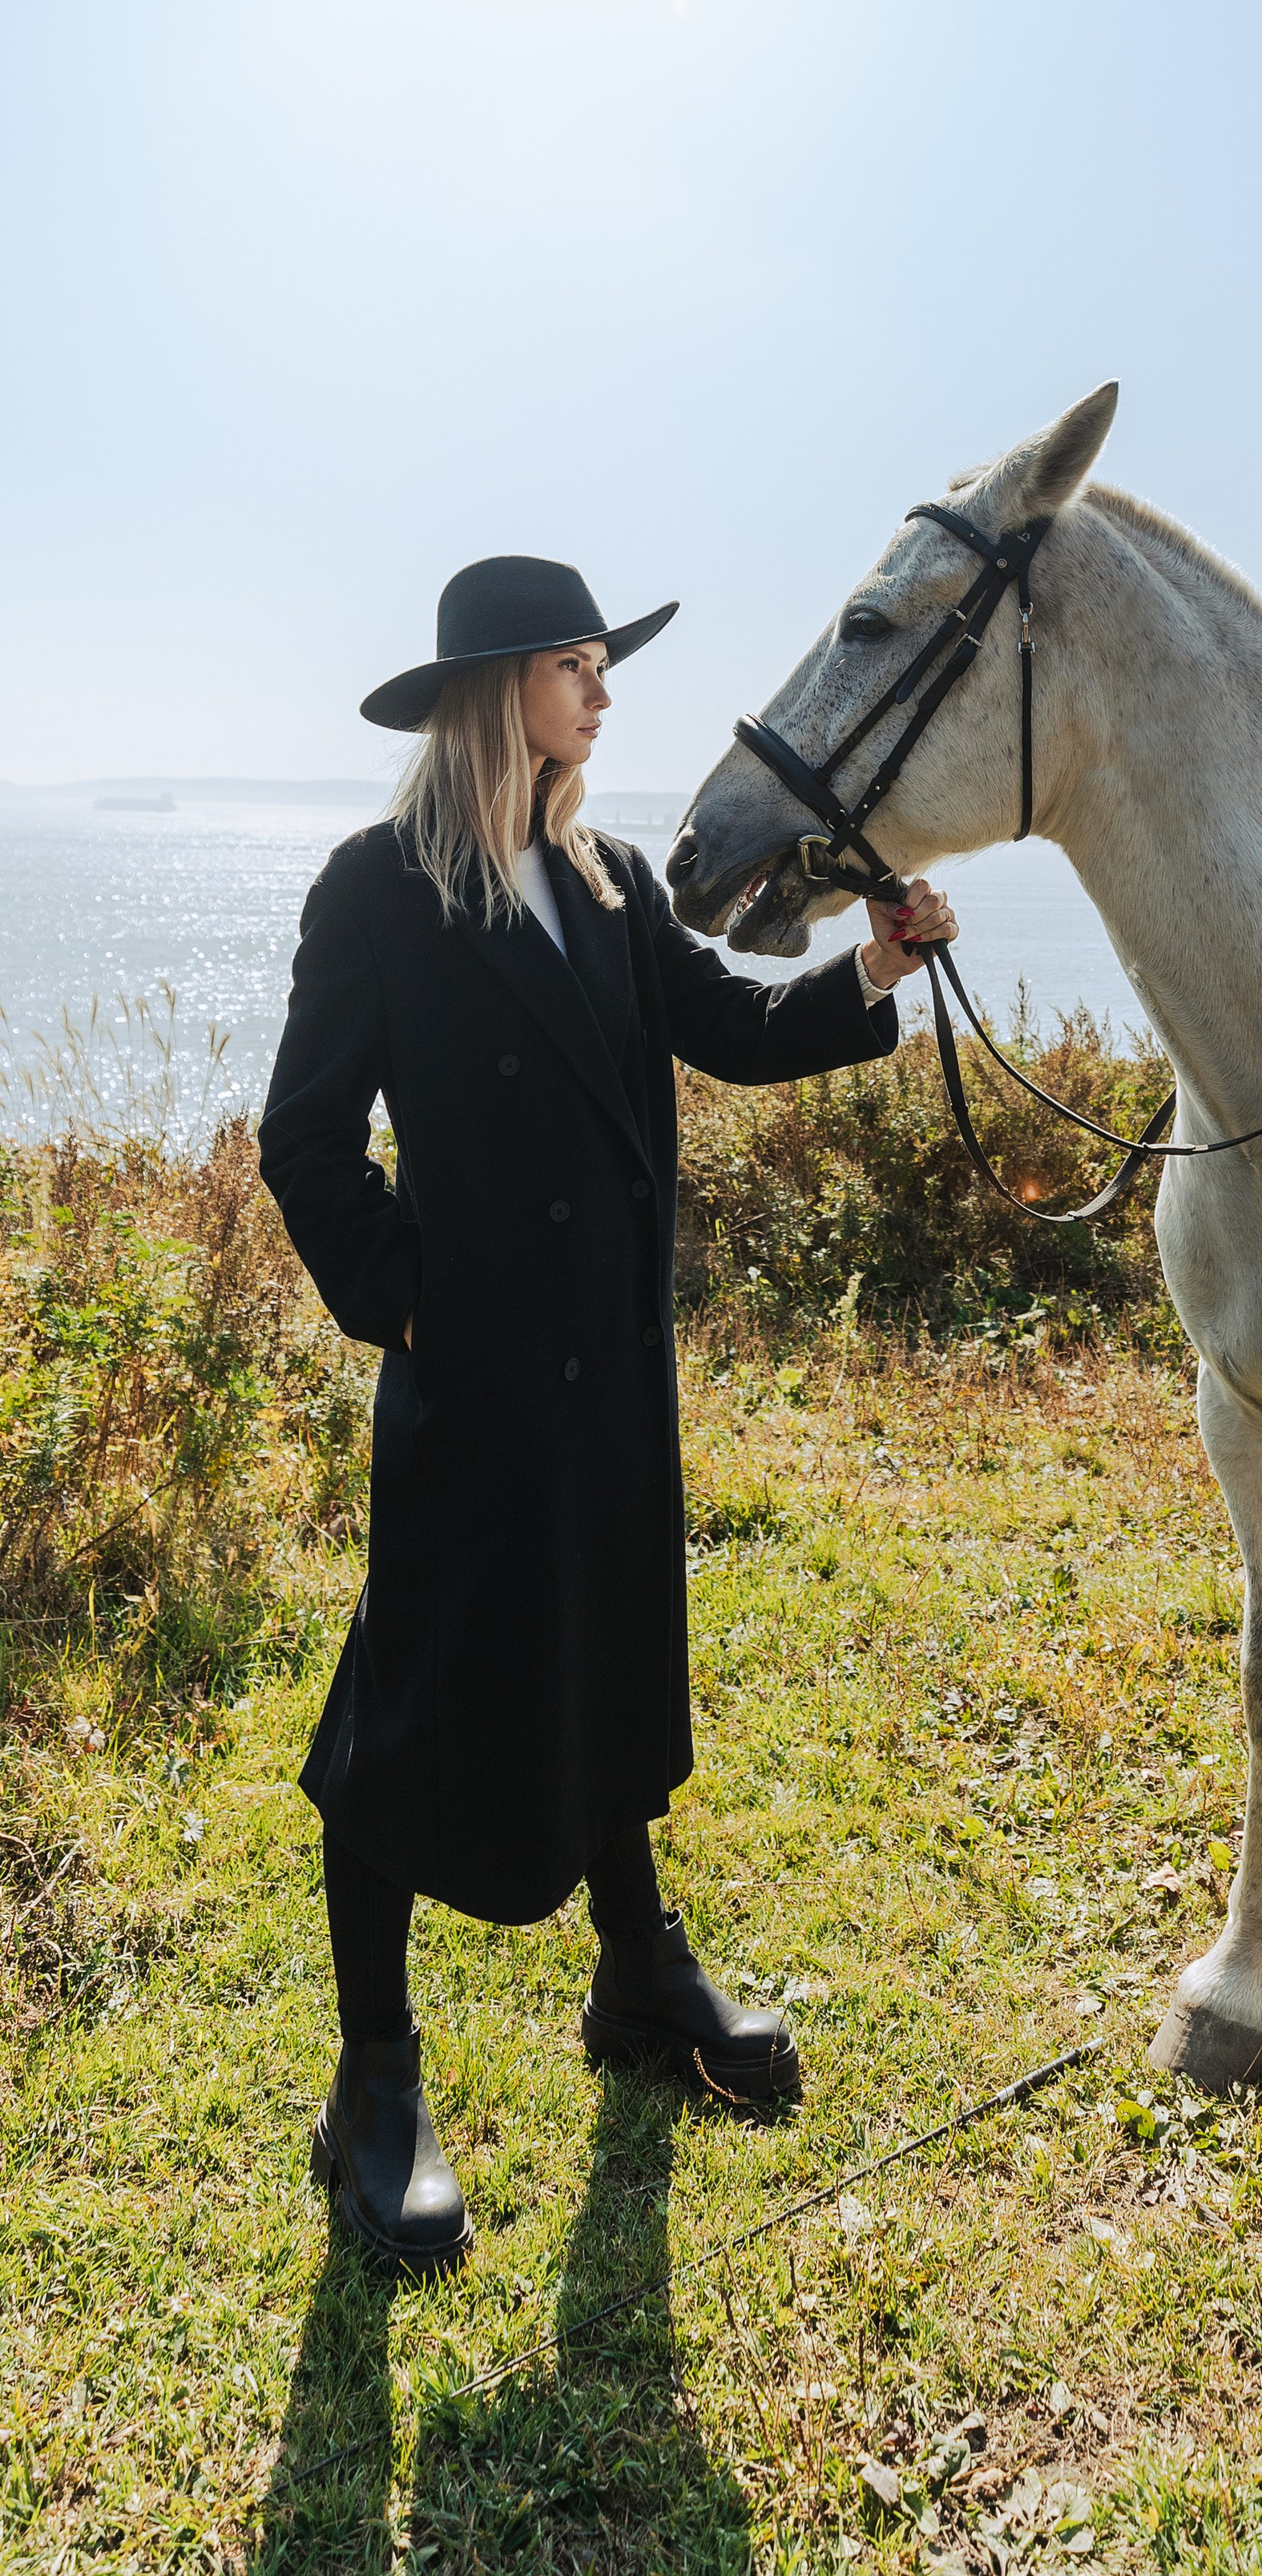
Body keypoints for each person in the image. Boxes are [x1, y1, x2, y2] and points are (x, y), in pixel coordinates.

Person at [260, 554, 954, 2274]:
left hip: (611, 1369)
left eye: (601, 664)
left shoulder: (612, 875)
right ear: (504, 688)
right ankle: (374, 2083)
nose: (604, 692)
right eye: (581, 665)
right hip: (474, 1378)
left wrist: (870, 972)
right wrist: (410, 1301)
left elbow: (727, 1031)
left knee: (611, 1656)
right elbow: (305, 1140)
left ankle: (638, 1977)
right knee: (407, 1718)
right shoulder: (378, 890)